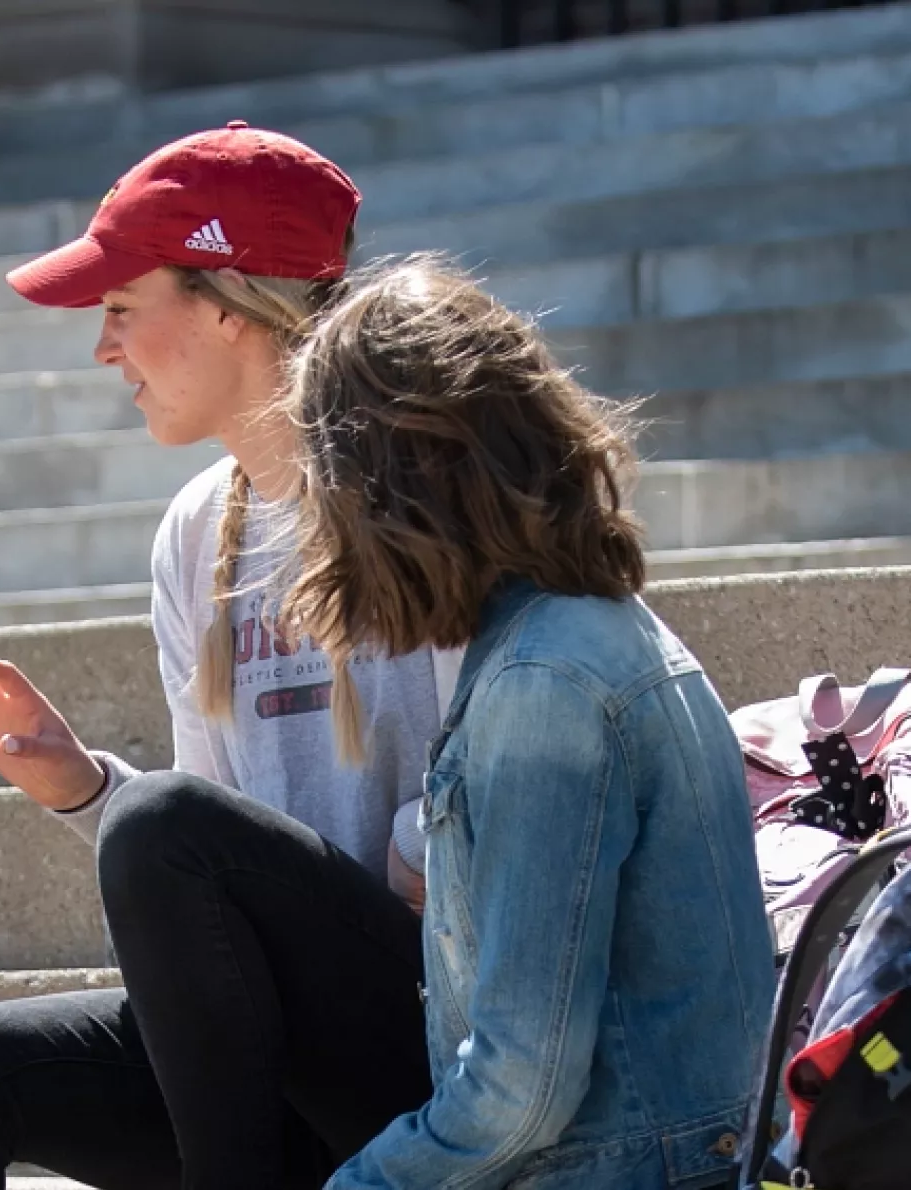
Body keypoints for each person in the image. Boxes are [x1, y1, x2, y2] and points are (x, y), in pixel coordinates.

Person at [0, 124, 451, 1190]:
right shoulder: (197, 529)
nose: (103, 348)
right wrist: (85, 786)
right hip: (281, 1047)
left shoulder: (429, 495)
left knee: (161, 824)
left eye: (121, 308)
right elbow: (219, 850)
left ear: (228, 308)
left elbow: (526, 779)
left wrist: (422, 849)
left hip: (439, 1033)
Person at [284, 257, 776, 1188]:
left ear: (384, 492)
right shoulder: (593, 631)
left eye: (324, 488)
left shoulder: (543, 685)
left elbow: (524, 1087)